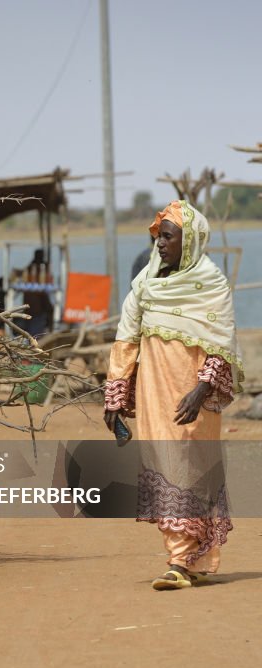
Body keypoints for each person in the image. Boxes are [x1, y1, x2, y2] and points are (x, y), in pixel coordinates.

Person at [103, 200, 243, 590]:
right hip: (152, 392)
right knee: (164, 465)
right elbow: (127, 341)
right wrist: (116, 397)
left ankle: (181, 562)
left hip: (192, 394)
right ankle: (186, 560)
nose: (160, 243)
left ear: (191, 240)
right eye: (158, 236)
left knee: (189, 465)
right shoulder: (145, 284)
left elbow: (222, 346)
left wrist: (201, 390)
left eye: (168, 236)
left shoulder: (212, 284)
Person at [21, 249, 53, 337]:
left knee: (32, 334)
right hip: (35, 311)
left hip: (33, 311)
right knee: (35, 336)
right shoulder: (36, 268)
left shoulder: (32, 268)